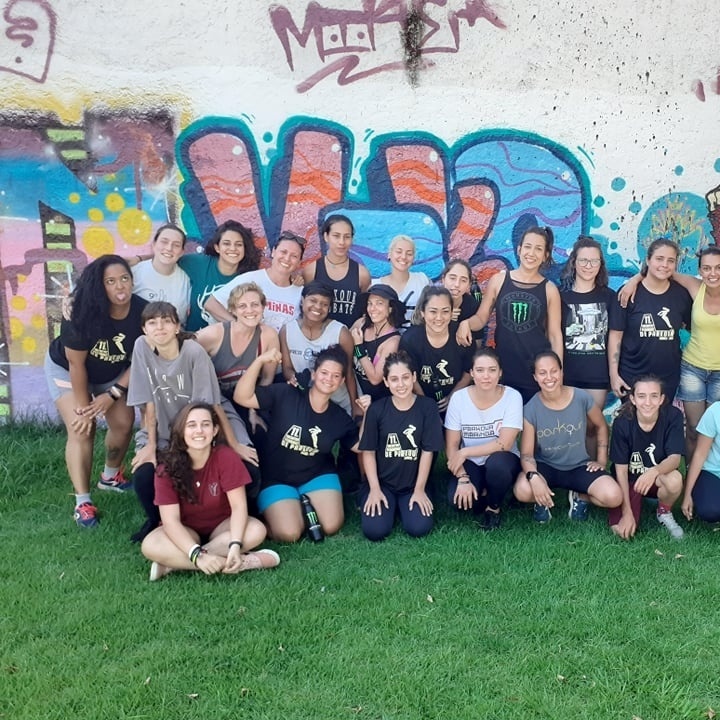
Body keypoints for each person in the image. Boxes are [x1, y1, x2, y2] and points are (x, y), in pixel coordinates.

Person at [127, 301, 257, 542]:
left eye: (166, 321)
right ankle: (157, 520)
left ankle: (242, 515)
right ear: (144, 329)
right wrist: (150, 444)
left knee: (248, 465)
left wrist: (234, 445)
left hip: (208, 420)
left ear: (177, 326)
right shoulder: (141, 348)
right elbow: (148, 402)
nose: (160, 328)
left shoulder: (192, 351)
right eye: (152, 323)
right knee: (145, 473)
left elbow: (209, 406)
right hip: (164, 426)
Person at [45, 255, 146, 527]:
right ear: (100, 286)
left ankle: (111, 477)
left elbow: (140, 359)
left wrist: (112, 394)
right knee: (82, 428)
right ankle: (83, 501)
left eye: (124, 279)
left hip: (112, 374)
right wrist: (86, 408)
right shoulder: (80, 313)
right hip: (68, 371)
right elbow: (76, 365)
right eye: (110, 281)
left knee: (124, 424)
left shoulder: (142, 311)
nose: (120, 286)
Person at [140, 403, 280, 581]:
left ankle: (173, 564)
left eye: (205, 424)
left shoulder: (226, 457)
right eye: (191, 425)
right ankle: (243, 562)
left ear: (214, 430)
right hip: (186, 530)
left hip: (221, 527)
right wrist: (196, 555)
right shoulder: (166, 467)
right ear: (181, 430)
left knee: (256, 530)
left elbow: (238, 507)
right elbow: (171, 522)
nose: (199, 430)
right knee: (150, 545)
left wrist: (235, 545)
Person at [234, 345, 360, 542]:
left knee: (331, 525)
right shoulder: (286, 394)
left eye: (336, 376)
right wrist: (259, 361)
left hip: (317, 475)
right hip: (277, 478)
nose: (329, 379)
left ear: (342, 381)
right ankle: (288, 509)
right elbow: (241, 397)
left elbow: (360, 446)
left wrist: (369, 414)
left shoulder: (338, 417)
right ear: (313, 374)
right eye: (324, 372)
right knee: (289, 533)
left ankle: (301, 503)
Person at [621, 245, 720, 457]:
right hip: (694, 368)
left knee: (716, 430)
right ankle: (694, 479)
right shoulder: (695, 287)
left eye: (718, 268)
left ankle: (711, 475)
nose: (713, 273)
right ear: (700, 270)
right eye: (707, 268)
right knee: (694, 429)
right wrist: (634, 280)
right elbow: (661, 271)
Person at [457, 226, 563, 403]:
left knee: (531, 426)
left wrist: (558, 371)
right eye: (528, 246)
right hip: (504, 367)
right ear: (519, 249)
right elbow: (482, 318)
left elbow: (554, 335)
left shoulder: (550, 289)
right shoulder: (499, 280)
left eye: (538, 249)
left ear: (545, 255)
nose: (531, 253)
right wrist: (466, 324)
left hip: (535, 370)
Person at [514, 351, 622, 523]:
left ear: (562, 372)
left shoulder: (580, 397)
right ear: (535, 377)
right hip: (546, 466)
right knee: (522, 490)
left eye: (554, 371)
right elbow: (526, 454)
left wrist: (601, 461)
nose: (549, 377)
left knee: (613, 496)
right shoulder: (530, 408)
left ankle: (580, 496)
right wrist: (533, 477)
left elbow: (601, 425)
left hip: (579, 466)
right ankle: (541, 501)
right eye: (542, 373)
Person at [358, 351, 444, 540]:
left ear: (414, 377)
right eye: (394, 379)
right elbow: (369, 452)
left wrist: (420, 489)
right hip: (383, 483)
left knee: (418, 527)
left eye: (405, 377)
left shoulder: (427, 407)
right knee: (375, 531)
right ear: (386, 382)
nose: (401, 384)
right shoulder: (377, 409)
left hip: (413, 484)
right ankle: (386, 503)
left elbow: (428, 452)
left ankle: (406, 504)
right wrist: (374, 489)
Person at [444, 347, 523, 530]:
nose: (486, 376)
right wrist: (463, 478)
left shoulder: (512, 397)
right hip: (472, 462)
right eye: (480, 370)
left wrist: (465, 451)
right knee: (458, 502)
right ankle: (484, 490)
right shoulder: (459, 398)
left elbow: (504, 443)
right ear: (471, 373)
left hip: (502, 459)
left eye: (492, 370)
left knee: (498, 467)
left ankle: (493, 507)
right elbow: (451, 445)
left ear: (500, 373)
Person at [608, 238, 692, 404]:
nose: (664, 265)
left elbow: (690, 328)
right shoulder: (627, 294)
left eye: (671, 261)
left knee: (662, 425)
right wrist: (614, 375)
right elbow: (615, 336)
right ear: (648, 260)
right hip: (631, 375)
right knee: (632, 425)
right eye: (659, 259)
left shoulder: (681, 295)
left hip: (667, 377)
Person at [195, 281, 279, 437]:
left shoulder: (268, 335)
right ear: (233, 310)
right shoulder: (215, 334)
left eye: (255, 305)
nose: (250, 311)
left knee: (259, 433)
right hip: (214, 399)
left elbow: (267, 378)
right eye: (242, 306)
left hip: (246, 398)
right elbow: (183, 351)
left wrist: (253, 410)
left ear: (263, 307)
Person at [608, 376, 685, 540]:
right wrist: (626, 512)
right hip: (629, 481)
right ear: (633, 399)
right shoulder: (622, 423)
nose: (648, 402)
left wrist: (653, 472)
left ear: (661, 399)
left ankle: (664, 511)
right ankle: (636, 503)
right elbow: (620, 471)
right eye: (642, 396)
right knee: (622, 532)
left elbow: (675, 459)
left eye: (654, 396)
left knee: (674, 479)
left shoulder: (673, 416)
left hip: (656, 478)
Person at [280, 281, 358, 416]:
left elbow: (349, 373)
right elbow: (287, 367)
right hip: (307, 402)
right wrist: (295, 378)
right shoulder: (287, 330)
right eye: (313, 301)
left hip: (340, 403)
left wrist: (355, 405)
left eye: (324, 304)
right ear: (302, 301)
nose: (318, 307)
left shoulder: (340, 332)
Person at [204, 230, 305, 332]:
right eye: (283, 252)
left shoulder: (300, 292)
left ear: (299, 262)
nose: (287, 258)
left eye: (294, 256)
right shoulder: (251, 279)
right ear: (274, 251)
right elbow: (211, 304)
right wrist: (241, 328)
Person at [399, 286, 473, 416]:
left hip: (457, 401)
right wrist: (426, 405)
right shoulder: (410, 340)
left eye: (445, 311)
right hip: (420, 403)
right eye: (433, 311)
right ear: (423, 312)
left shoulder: (461, 336)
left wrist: (452, 397)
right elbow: (410, 376)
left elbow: (468, 371)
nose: (439, 318)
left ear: (451, 313)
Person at [179, 219, 261, 331]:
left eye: (239, 245)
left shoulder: (248, 279)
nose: (233, 249)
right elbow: (167, 258)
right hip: (193, 341)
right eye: (226, 243)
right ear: (217, 247)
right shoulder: (200, 264)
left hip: (227, 345)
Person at [302, 214, 371, 326]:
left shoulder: (362, 274)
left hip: (351, 341)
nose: (341, 242)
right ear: (326, 236)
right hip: (317, 340)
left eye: (347, 237)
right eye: (336, 236)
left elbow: (365, 311)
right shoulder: (311, 271)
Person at [349, 284, 405, 402]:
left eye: (379, 303)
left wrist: (358, 346)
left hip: (377, 402)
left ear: (390, 308)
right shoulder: (361, 323)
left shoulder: (393, 341)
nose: (372, 308)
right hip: (353, 395)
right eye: (370, 303)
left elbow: (375, 379)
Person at [132, 223, 191, 324]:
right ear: (154, 245)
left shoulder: (186, 280)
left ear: (182, 252)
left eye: (176, 245)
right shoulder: (134, 273)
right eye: (164, 242)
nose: (169, 248)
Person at [373, 234, 431, 328]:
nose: (403, 257)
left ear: (413, 258)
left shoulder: (422, 281)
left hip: (415, 340)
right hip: (385, 341)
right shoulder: (375, 285)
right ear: (389, 254)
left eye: (409, 253)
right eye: (399, 252)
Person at [682, 400, 720, 524]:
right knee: (710, 510)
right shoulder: (715, 411)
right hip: (713, 471)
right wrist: (687, 494)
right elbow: (699, 454)